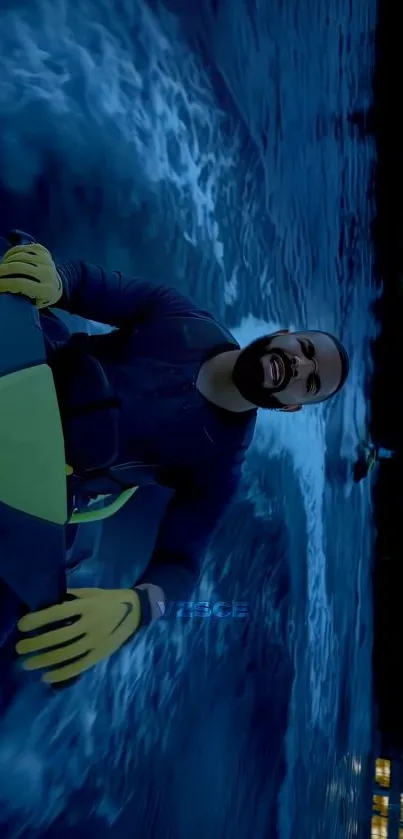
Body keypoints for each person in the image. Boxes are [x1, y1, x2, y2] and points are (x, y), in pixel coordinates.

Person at [0, 242, 350, 684]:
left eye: (311, 381)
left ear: (293, 407)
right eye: (304, 347)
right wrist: (58, 280)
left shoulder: (221, 463)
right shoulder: (179, 317)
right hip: (26, 371)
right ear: (282, 333)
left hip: (37, 482)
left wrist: (136, 609)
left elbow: (180, 567)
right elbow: (87, 285)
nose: (300, 364)